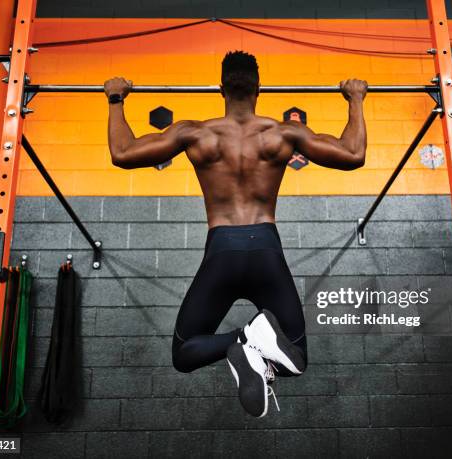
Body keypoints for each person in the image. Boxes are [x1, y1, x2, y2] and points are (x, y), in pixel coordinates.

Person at [105, 51, 367, 417]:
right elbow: (353, 154)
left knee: (184, 354)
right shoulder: (283, 133)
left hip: (222, 250)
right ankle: (252, 339)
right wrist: (355, 98)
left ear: (220, 89)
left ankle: (241, 340)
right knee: (298, 357)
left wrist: (116, 97)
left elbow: (122, 152)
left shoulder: (195, 133)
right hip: (266, 249)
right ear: (260, 87)